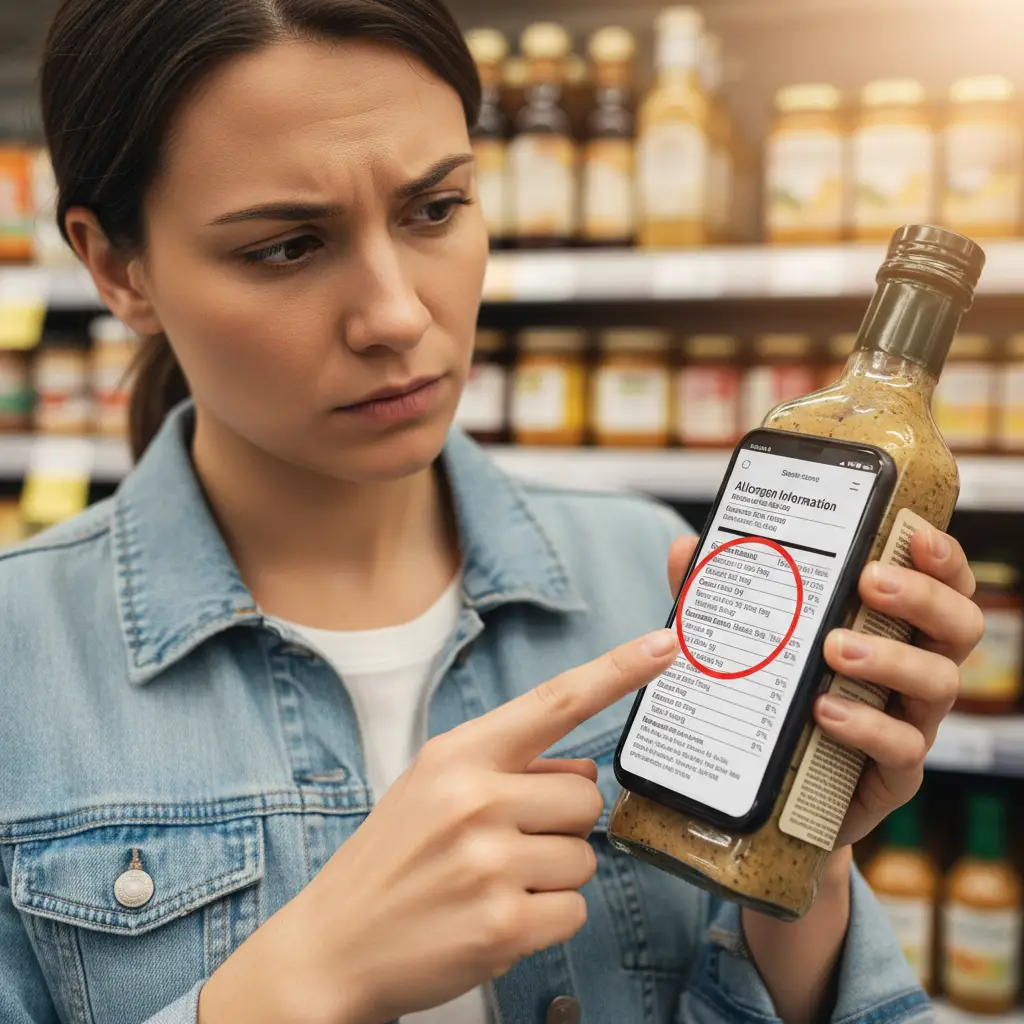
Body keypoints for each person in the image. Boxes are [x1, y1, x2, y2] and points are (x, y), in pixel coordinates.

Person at [0, 0, 980, 1022]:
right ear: (117, 267)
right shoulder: (20, 666)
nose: (396, 315)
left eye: (434, 209)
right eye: (288, 246)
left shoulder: (656, 576)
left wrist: (799, 877)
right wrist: (292, 985)